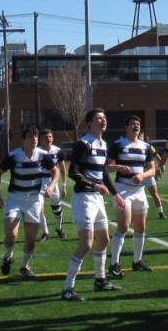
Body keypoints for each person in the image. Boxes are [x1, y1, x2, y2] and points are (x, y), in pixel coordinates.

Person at [61, 109, 126, 301]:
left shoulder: (103, 144)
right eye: (99, 118)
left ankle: (100, 280)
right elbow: (74, 172)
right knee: (86, 244)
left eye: (105, 117)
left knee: (104, 239)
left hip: (97, 198)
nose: (103, 120)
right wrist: (94, 185)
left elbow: (103, 173)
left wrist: (116, 195)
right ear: (90, 123)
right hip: (84, 198)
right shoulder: (83, 143)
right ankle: (67, 289)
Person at [0, 126, 59, 279]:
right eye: (30, 136)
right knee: (11, 235)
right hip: (15, 199)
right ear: (24, 139)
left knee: (30, 239)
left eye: (36, 136)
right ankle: (8, 256)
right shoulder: (14, 155)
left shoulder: (42, 155)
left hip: (34, 201)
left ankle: (24, 266)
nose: (34, 139)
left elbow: (55, 171)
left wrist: (51, 186)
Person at [107, 115, 157, 276]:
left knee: (140, 227)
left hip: (139, 191)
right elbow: (106, 167)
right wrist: (119, 167)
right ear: (126, 127)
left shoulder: (145, 146)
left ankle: (137, 261)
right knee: (123, 226)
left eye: (138, 124)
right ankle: (114, 263)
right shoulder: (118, 144)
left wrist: (143, 176)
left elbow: (152, 169)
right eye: (133, 124)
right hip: (123, 189)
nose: (136, 126)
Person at [37, 129, 68, 241]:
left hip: (53, 182)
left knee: (57, 207)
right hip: (39, 182)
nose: (48, 139)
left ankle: (58, 228)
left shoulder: (57, 151)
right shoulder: (37, 151)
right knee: (39, 208)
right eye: (45, 137)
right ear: (41, 139)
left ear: (53, 138)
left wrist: (64, 185)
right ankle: (45, 232)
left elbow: (63, 169)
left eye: (50, 137)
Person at [139, 131, 166, 219]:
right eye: (139, 136)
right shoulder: (132, 145)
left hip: (147, 174)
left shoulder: (148, 146)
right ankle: (131, 214)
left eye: (141, 136)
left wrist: (162, 165)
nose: (140, 138)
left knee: (154, 194)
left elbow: (156, 155)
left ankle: (161, 212)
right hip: (137, 174)